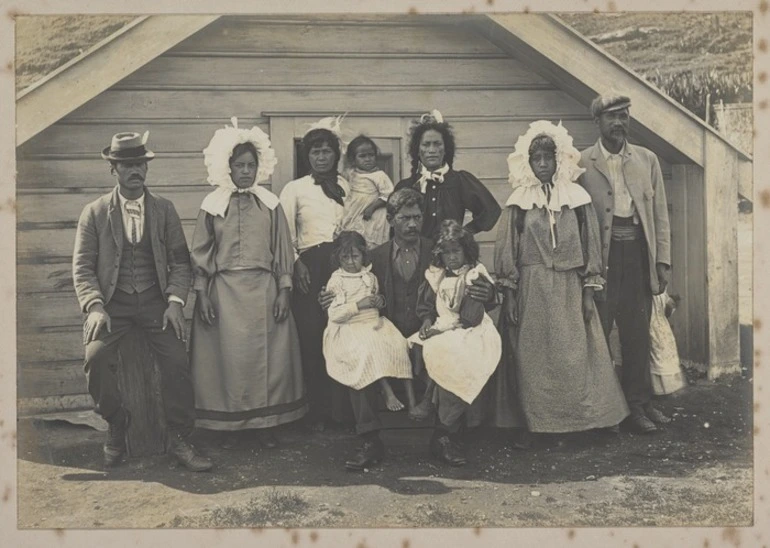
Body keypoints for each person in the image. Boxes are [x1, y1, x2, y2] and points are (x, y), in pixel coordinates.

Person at [320, 189, 497, 469]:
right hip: (384, 330)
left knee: (455, 351)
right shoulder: (374, 257)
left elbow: (468, 279)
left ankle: (444, 437)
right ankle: (370, 440)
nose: (413, 224)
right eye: (405, 218)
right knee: (358, 352)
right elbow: (348, 285)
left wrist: (488, 294)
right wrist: (329, 297)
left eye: (417, 217)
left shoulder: (437, 251)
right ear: (390, 219)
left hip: (428, 331)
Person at [72, 131, 213, 471]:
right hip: (113, 304)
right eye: (127, 165)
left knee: (177, 361)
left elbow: (181, 262)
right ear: (113, 169)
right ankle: (117, 423)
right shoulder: (94, 212)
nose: (135, 171)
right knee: (95, 358)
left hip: (154, 301)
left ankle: (180, 437)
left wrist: (176, 301)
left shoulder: (164, 209)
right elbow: (82, 266)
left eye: (140, 164)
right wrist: (94, 306)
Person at [494, 121, 629, 437]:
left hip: (569, 287)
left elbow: (590, 243)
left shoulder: (577, 199)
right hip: (532, 288)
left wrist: (587, 291)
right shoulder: (519, 202)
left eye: (547, 158)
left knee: (575, 356)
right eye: (536, 159)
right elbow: (508, 250)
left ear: (559, 160)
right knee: (533, 360)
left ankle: (583, 422)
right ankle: (535, 425)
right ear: (527, 162)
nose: (542, 164)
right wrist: (510, 294)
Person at [189, 120, 307, 449]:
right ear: (227, 168)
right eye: (239, 165)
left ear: (260, 168)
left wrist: (284, 291)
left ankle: (265, 424)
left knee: (266, 360)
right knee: (228, 360)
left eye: (250, 165)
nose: (245, 171)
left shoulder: (270, 205)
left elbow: (284, 251)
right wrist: (202, 295)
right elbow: (201, 252)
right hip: (223, 293)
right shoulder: (212, 206)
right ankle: (228, 427)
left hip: (264, 293)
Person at [578, 94, 673, 434]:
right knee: (599, 331)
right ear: (598, 121)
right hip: (601, 260)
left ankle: (638, 405)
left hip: (637, 254)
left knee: (637, 333)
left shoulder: (647, 160)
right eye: (611, 117)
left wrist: (662, 262)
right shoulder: (580, 162)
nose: (619, 123)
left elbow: (660, 214)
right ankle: (604, 412)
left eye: (624, 116)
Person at [279, 122, 352, 432]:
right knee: (312, 336)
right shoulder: (294, 189)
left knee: (344, 333)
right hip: (309, 265)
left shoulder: (348, 186)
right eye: (315, 152)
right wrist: (296, 264)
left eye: (327, 151)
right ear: (306, 156)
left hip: (343, 265)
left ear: (336, 155)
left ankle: (343, 412)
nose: (322, 157)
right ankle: (316, 412)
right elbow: (284, 233)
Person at [408, 220, 502, 459]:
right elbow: (427, 307)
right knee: (421, 346)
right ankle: (442, 429)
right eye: (447, 252)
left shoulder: (473, 274)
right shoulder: (436, 275)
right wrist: (428, 322)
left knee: (454, 355)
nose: (451, 257)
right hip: (443, 327)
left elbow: (470, 318)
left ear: (466, 250)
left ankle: (439, 420)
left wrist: (442, 331)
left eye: (456, 251)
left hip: (472, 331)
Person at [322, 231, 414, 412]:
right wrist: (358, 305)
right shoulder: (337, 280)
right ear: (338, 258)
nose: (350, 262)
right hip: (350, 326)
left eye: (355, 256)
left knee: (399, 344)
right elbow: (334, 315)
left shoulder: (370, 276)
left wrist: (379, 301)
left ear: (363, 255)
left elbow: (376, 298)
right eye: (345, 257)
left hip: (374, 323)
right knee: (370, 347)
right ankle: (387, 391)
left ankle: (412, 402)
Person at [393, 109, 501, 241]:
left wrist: (463, 233)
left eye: (437, 144)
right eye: (426, 145)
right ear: (417, 150)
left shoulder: (459, 181)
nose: (432, 150)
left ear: (445, 149)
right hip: (417, 259)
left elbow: (491, 210)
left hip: (449, 258)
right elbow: (394, 229)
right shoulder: (406, 187)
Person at [339, 135, 394, 249]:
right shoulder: (352, 173)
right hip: (354, 210)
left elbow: (388, 194)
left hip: (372, 213)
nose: (368, 159)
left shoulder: (379, 176)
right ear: (353, 159)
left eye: (371, 155)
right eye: (362, 156)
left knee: (370, 239)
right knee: (352, 237)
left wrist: (372, 207)